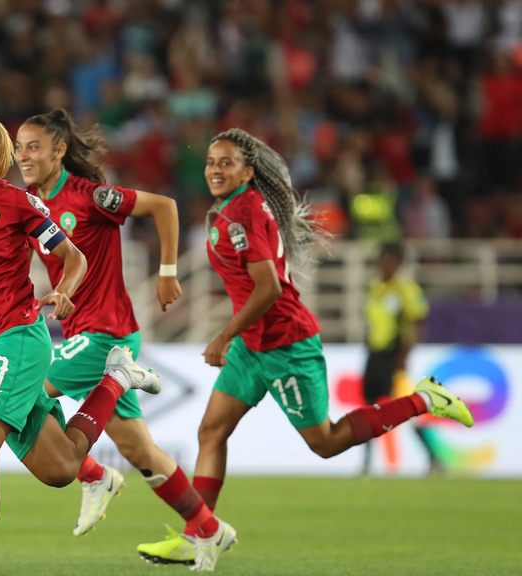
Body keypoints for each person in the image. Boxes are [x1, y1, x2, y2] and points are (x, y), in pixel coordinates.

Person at [137, 128, 475, 571]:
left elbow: (269, 289)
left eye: (226, 163)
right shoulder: (227, 211)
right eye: (210, 162)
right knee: (211, 431)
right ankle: (199, 534)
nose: (215, 170)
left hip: (286, 345)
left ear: (248, 171)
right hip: (253, 344)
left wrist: (223, 335)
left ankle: (427, 398)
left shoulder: (244, 215)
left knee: (326, 442)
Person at [0, 103, 162, 576]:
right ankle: (117, 379)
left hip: (17, 337)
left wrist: (63, 292)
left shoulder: (12, 200)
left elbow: (74, 256)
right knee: (61, 469)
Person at [15, 108, 229, 565]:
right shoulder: (30, 203)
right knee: (139, 448)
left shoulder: (89, 196)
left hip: (104, 333)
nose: (23, 156)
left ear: (59, 149)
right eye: (18, 148)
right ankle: (207, 530)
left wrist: (168, 272)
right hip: (88, 332)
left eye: (33, 147)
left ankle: (92, 472)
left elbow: (163, 207)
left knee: (19, 393)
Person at [362, 243, 441, 475]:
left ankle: (434, 457)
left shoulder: (406, 289)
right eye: (381, 259)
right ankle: (367, 464)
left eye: (389, 260)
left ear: (398, 263)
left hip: (394, 356)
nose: (383, 265)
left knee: (406, 410)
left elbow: (417, 323)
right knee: (368, 408)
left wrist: (404, 356)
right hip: (375, 354)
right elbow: (374, 322)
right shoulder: (375, 287)